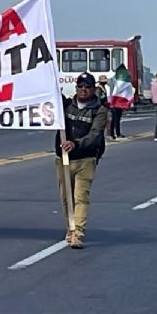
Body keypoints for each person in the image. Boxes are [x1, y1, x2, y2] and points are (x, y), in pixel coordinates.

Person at [55, 72, 110, 249]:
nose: (83, 90)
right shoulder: (65, 105)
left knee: (80, 197)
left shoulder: (100, 110)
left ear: (93, 89)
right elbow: (49, 100)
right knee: (66, 198)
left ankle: (78, 233)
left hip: (85, 159)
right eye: (80, 86)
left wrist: (76, 143)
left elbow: (95, 135)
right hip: (63, 158)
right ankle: (70, 228)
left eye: (87, 87)